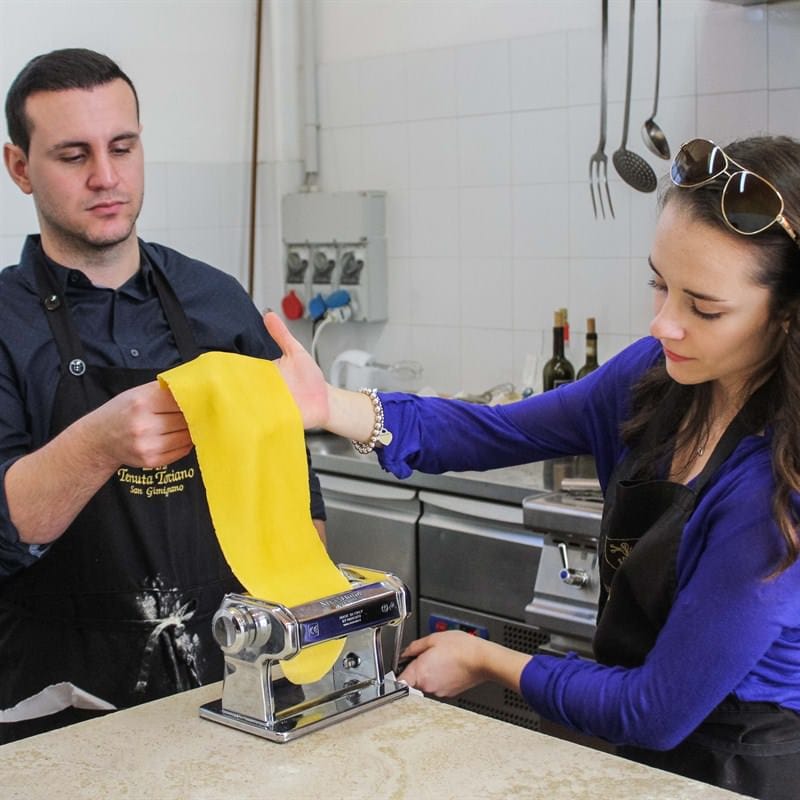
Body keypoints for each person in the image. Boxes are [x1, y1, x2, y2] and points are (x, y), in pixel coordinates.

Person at [264, 135, 800, 799]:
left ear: (785, 318)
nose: (663, 324)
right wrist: (329, 405)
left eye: (704, 307)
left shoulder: (774, 490)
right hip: (640, 758)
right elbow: (492, 430)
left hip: (743, 769)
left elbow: (656, 710)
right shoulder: (653, 379)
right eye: (659, 285)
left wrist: (488, 659)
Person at [0, 48, 326, 743]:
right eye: (72, 155)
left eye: (123, 147)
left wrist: (297, 651)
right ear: (20, 166)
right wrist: (98, 443)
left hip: (233, 694)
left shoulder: (219, 302)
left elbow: (300, 500)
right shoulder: (3, 324)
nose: (106, 176)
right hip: (64, 713)